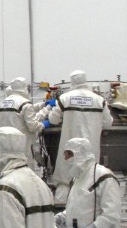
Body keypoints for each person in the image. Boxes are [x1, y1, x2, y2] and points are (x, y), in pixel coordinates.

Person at [45, 71, 112, 203]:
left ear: (72, 81)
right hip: (90, 149)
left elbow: (53, 120)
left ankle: (62, 213)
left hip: (69, 149)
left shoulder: (65, 98)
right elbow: (108, 122)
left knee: (64, 180)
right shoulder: (100, 100)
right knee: (91, 180)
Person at [0, 77, 51, 166]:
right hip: (22, 147)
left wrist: (43, 104)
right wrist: (45, 124)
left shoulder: (3, 103)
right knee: (24, 173)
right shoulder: (25, 103)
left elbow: (24, 111)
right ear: (24, 87)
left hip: (5, 147)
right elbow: (33, 126)